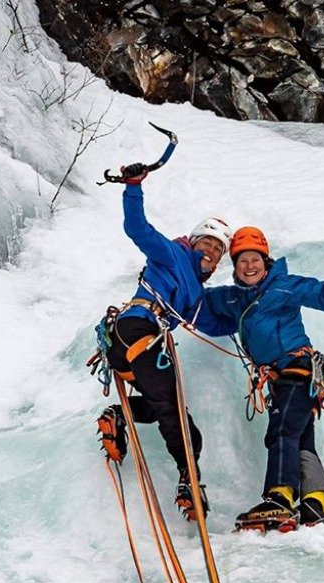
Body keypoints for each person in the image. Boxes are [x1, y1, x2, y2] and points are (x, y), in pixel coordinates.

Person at [202, 226, 324, 531]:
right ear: (234, 266)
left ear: (266, 261)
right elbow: (197, 302)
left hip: (297, 369)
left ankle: (280, 498)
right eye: (242, 261)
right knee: (299, 436)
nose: (249, 266)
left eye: (255, 259)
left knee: (282, 428)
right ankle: (316, 501)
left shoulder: (284, 286)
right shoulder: (233, 299)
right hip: (278, 377)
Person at [97, 162, 232, 521]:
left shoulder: (196, 295)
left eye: (219, 250)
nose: (213, 252)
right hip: (138, 331)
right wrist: (134, 187)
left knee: (166, 408)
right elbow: (137, 228)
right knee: (175, 414)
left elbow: (213, 326)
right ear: (194, 240)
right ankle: (190, 480)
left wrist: (251, 314)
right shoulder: (172, 254)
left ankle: (119, 416)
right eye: (209, 243)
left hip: (128, 346)